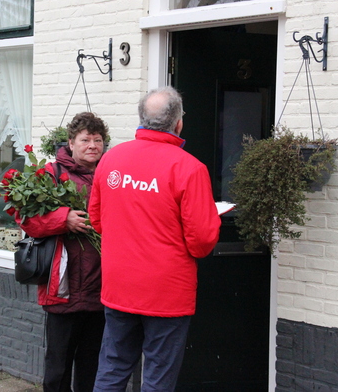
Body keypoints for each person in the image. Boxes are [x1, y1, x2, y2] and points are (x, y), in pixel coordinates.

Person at [88, 86, 221, 391]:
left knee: (113, 367)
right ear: (178, 123)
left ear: (141, 119)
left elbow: (97, 220)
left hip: (119, 285)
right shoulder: (189, 168)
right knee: (158, 378)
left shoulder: (111, 160)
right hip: (166, 293)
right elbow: (201, 241)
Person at [18, 112, 108, 392]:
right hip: (64, 288)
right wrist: (63, 219)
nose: (93, 145)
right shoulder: (51, 174)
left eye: (98, 139)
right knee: (58, 367)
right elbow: (25, 219)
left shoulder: (110, 176)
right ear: (70, 143)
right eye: (85, 140)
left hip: (102, 288)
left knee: (92, 366)